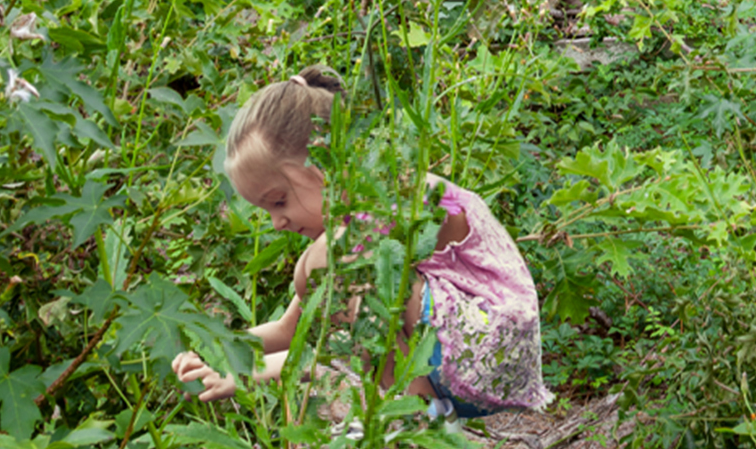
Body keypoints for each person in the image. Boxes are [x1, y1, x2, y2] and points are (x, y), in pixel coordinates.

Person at [169, 66, 552, 420]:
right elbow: (290, 331)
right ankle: (417, 413)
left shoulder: (401, 192)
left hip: (489, 346)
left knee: (323, 268)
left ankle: (422, 419)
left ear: (326, 161)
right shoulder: (351, 232)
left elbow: (339, 309)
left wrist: (250, 371)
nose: (277, 222)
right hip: (451, 359)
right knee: (322, 284)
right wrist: (216, 350)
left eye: (279, 200)